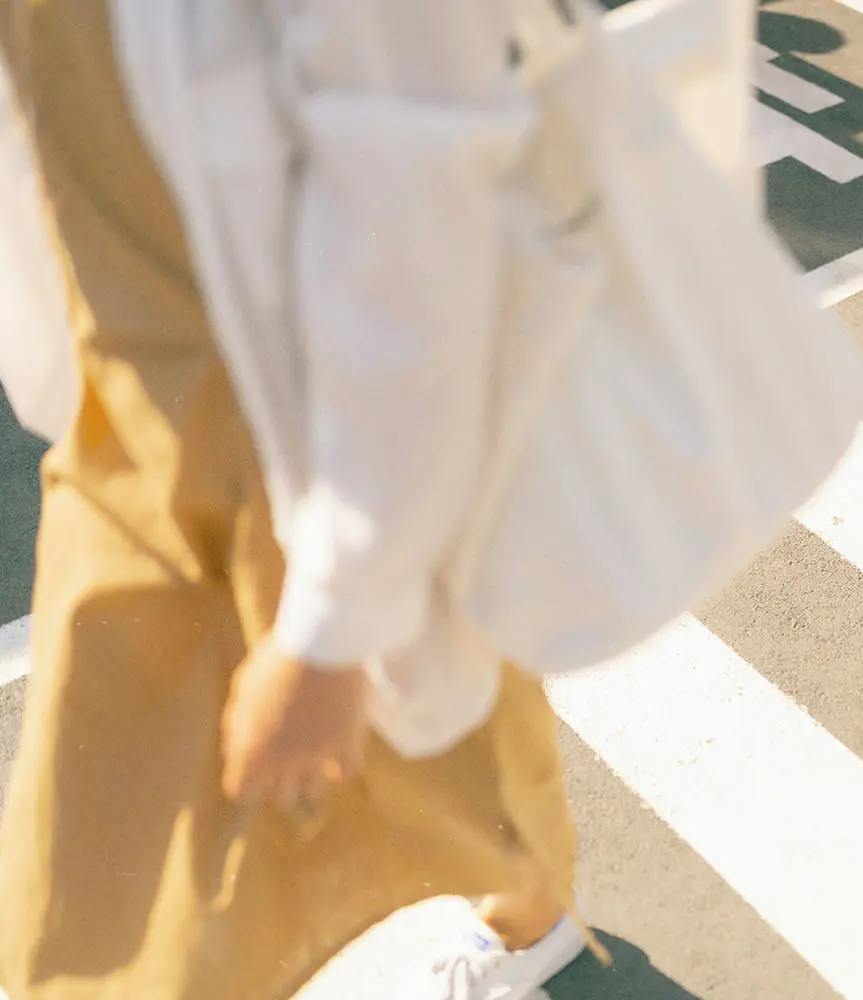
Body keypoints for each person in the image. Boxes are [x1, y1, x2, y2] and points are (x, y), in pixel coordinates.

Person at [0, 1, 757, 998]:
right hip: (124, 445)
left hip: (319, 425)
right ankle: (529, 911)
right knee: (100, 896)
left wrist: (331, 628)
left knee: (451, 731)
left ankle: (530, 917)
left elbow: (420, 205)